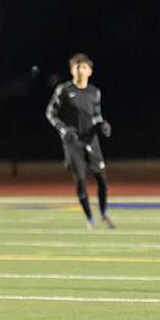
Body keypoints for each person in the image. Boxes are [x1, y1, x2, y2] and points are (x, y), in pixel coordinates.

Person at [46, 53, 115, 230]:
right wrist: (63, 129)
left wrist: (103, 124)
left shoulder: (95, 92)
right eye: (77, 67)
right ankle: (89, 218)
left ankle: (103, 214)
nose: (80, 70)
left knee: (102, 179)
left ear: (90, 71)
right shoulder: (63, 90)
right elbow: (50, 113)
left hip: (91, 140)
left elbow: (96, 116)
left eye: (84, 67)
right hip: (72, 142)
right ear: (71, 70)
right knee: (80, 180)